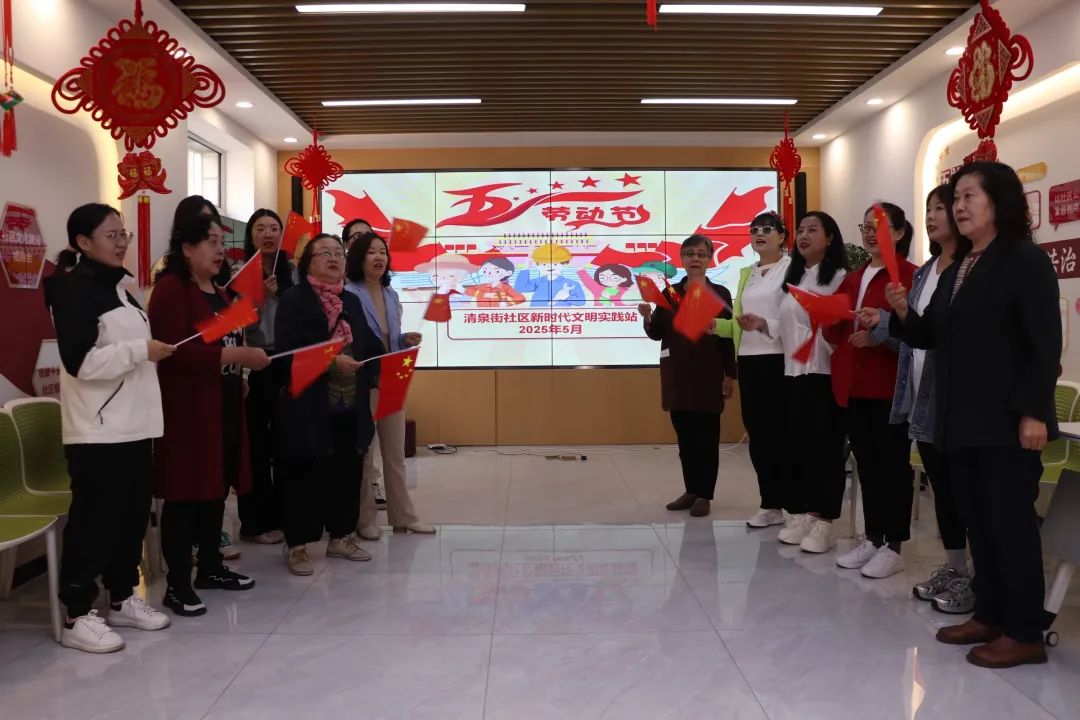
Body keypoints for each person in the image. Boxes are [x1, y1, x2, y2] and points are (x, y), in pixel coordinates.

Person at [885, 161, 1060, 668]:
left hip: (1006, 420)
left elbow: (1044, 344)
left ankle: (1024, 631)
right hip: (958, 420)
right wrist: (903, 311)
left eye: (968, 197)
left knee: (1010, 525)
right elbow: (932, 335)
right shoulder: (962, 264)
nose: (958, 207)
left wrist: (1033, 413)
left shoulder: (1023, 259)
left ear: (999, 201)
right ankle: (990, 613)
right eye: (955, 198)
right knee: (979, 522)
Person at [44, 204, 173, 653]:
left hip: (135, 424)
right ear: (83, 242)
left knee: (130, 517)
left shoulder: (122, 288)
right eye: (111, 235)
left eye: (124, 234)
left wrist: (146, 351)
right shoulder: (72, 288)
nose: (121, 243)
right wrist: (142, 350)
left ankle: (121, 598)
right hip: (98, 429)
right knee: (94, 521)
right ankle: (77, 613)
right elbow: (80, 362)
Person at [858, 185, 974, 610]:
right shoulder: (926, 272)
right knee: (941, 487)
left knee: (964, 490)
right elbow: (918, 332)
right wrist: (891, 317)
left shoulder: (970, 268)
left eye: (942, 207)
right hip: (921, 398)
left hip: (954, 397)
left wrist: (895, 319)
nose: (934, 215)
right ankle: (955, 568)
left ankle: (976, 578)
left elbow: (950, 333)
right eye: (931, 208)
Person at [149, 215, 269, 616]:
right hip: (190, 409)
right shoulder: (171, 290)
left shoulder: (219, 291)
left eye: (222, 242)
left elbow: (230, 338)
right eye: (211, 242)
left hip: (225, 401)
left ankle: (211, 568)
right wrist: (236, 355)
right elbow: (174, 352)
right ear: (186, 248)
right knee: (185, 494)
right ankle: (178, 584)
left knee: (216, 489)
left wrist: (242, 367)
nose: (220, 250)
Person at [275, 233, 387, 575]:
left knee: (346, 471)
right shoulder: (294, 299)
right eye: (324, 253)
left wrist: (391, 353)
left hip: (349, 404)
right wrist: (330, 361)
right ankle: (298, 545)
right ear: (307, 262)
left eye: (338, 252)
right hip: (309, 404)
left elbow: (368, 345)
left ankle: (341, 536)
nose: (334, 258)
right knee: (304, 473)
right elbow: (286, 353)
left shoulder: (350, 300)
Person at [740, 212, 848, 553]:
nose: (804, 236)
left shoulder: (839, 277)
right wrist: (762, 324)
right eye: (801, 230)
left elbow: (841, 326)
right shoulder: (797, 278)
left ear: (830, 238)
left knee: (825, 448)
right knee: (802, 446)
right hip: (793, 371)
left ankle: (825, 521)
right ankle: (805, 512)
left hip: (822, 372)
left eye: (812, 230)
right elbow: (786, 326)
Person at [828, 203, 916, 579]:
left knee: (893, 468)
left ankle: (893, 545)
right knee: (867, 466)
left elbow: (918, 337)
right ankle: (873, 537)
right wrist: (826, 314)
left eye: (878, 227)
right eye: (865, 227)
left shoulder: (911, 275)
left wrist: (880, 334)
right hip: (856, 387)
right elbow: (836, 331)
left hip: (890, 389)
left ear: (899, 233)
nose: (869, 233)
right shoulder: (854, 277)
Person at [344, 231, 435, 539]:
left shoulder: (391, 295)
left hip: (393, 377)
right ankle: (365, 519)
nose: (379, 257)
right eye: (372, 252)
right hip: (365, 379)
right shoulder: (348, 292)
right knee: (366, 455)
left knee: (395, 454)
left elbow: (388, 338)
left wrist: (404, 340)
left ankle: (403, 516)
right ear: (359, 258)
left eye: (382, 252)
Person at [639, 234, 737, 517]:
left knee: (707, 438)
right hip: (677, 375)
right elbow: (657, 332)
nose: (695, 259)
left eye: (701, 254)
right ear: (682, 259)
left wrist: (730, 374)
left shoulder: (720, 293)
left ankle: (705, 494)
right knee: (686, 439)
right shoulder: (670, 293)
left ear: (709, 260)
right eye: (690, 254)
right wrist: (647, 316)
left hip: (708, 374)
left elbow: (728, 336)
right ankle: (691, 490)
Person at [717, 211, 791, 528]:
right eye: (754, 229)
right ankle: (770, 502)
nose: (759, 234)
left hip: (779, 359)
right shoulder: (748, 273)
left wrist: (764, 325)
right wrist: (716, 326)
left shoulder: (791, 269)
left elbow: (796, 318)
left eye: (767, 229)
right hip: (749, 360)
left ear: (781, 237)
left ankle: (793, 503)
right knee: (758, 434)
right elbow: (740, 323)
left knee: (781, 434)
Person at [236, 209, 296, 545]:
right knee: (257, 445)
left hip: (288, 361)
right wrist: (260, 297)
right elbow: (233, 323)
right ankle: (255, 522)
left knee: (287, 443)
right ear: (251, 236)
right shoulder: (239, 273)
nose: (269, 234)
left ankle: (286, 516)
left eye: (274, 228)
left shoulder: (294, 271)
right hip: (254, 362)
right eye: (261, 228)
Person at [343, 217, 386, 511]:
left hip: (383, 371)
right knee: (360, 438)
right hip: (352, 373)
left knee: (381, 439)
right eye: (356, 238)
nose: (363, 244)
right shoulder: (345, 289)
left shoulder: (388, 292)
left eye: (368, 238)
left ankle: (374, 484)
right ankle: (362, 502)